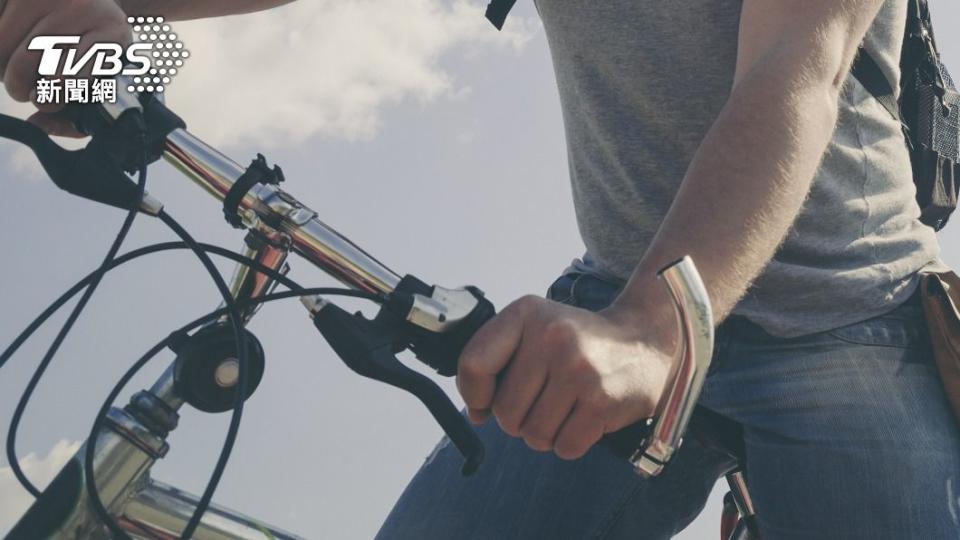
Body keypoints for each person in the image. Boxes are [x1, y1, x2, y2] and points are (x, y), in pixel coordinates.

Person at [2, 1, 957, 538]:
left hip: (844, 326)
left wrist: (650, 330)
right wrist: (89, 20)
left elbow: (798, 64)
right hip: (611, 299)